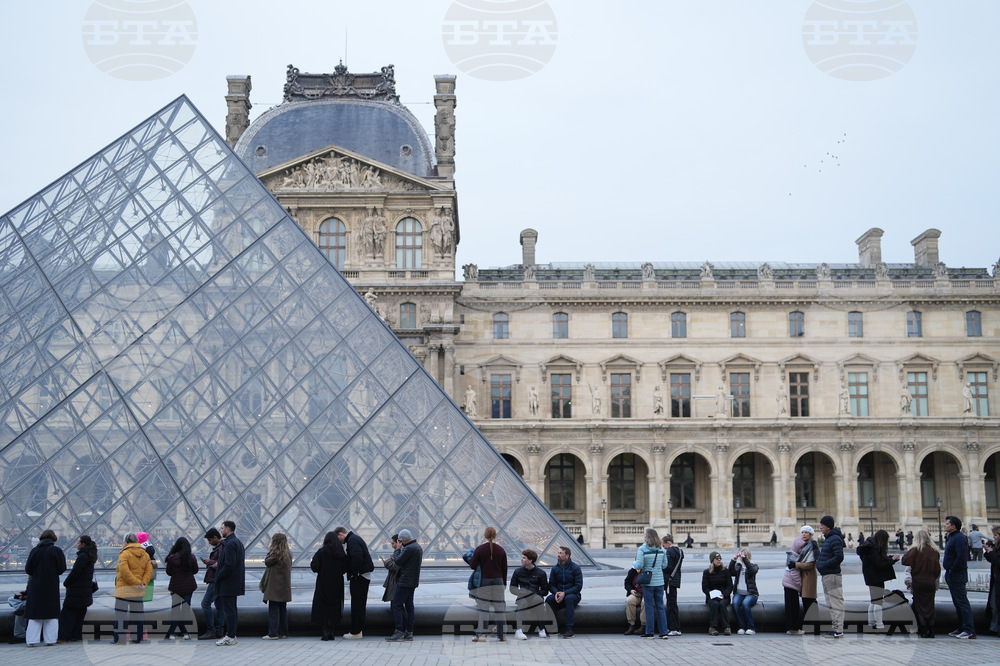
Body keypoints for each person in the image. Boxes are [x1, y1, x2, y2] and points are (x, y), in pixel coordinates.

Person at [25, 529, 67, 646]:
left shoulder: (35, 551)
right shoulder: (57, 551)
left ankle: (32, 640)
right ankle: (50, 640)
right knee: (51, 615)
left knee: (35, 615)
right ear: (54, 539)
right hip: (51, 586)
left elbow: (28, 569)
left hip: (36, 586)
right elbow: (62, 568)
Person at [470, 526, 509, 642]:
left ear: (485, 535)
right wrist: (504, 583)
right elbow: (504, 568)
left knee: (484, 608)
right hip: (498, 580)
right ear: (495, 536)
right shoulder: (501, 550)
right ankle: (502, 635)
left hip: (484, 581)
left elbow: (472, 565)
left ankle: (481, 634)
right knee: (499, 608)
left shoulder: (480, 549)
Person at [112, 533, 152, 644]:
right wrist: (142, 583)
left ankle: (120, 639)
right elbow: (149, 571)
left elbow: (124, 572)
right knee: (138, 615)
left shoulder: (124, 554)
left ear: (125, 540)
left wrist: (136, 583)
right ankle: (137, 638)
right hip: (139, 590)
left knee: (120, 616)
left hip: (124, 589)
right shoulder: (145, 554)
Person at [336, 526, 374, 639]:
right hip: (363, 575)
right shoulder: (355, 539)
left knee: (357, 605)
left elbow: (356, 557)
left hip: (360, 577)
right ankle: (357, 630)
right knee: (359, 604)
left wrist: (354, 573)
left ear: (341, 534)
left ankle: (356, 632)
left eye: (338, 538)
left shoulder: (352, 541)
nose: (339, 542)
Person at [856, 529, 899, 631]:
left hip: (871, 577)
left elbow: (878, 560)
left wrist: (891, 558)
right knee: (878, 602)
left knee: (874, 601)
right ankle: (879, 625)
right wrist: (892, 560)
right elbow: (879, 564)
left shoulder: (869, 546)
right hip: (876, 578)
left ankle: (871, 623)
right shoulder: (872, 549)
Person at [902, 530, 941, 638]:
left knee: (920, 607)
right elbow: (938, 569)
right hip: (930, 582)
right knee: (930, 605)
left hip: (918, 582)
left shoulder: (916, 550)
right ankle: (931, 630)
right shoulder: (935, 551)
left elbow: (904, 560)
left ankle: (923, 630)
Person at [385, 529, 422, 642]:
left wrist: (397, 550)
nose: (400, 543)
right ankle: (409, 632)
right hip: (412, 581)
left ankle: (399, 631)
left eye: (400, 541)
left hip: (405, 581)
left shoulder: (409, 548)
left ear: (403, 540)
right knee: (409, 606)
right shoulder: (417, 547)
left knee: (396, 605)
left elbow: (398, 561)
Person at [58, 535, 97, 642]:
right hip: (85, 591)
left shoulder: (83, 556)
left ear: (83, 544)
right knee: (79, 615)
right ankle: (76, 636)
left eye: (78, 542)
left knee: (67, 615)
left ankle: (64, 637)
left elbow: (75, 572)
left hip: (76, 591)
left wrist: (66, 582)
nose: (76, 544)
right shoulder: (90, 555)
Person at [942, 515, 975, 639]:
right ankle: (962, 627)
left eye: (947, 524)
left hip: (957, 574)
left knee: (962, 602)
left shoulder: (959, 538)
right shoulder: (952, 537)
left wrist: (952, 569)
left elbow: (961, 557)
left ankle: (969, 629)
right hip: (952, 574)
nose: (945, 525)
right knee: (957, 602)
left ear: (953, 526)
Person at [633, 528, 669, 639]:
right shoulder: (661, 549)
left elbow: (638, 565)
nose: (644, 537)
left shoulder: (642, 549)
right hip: (659, 582)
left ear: (647, 537)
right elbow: (665, 565)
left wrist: (634, 563)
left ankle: (650, 632)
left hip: (648, 583)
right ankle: (663, 632)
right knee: (660, 607)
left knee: (649, 607)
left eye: (645, 535)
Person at [311, 531, 347, 640]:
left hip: (323, 583)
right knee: (335, 607)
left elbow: (314, 566)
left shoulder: (321, 551)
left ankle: (325, 631)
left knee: (323, 607)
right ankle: (332, 631)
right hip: (337, 583)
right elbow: (345, 569)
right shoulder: (341, 553)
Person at [214, 520, 246, 646]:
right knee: (232, 610)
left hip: (228, 583)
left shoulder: (230, 544)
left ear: (227, 529)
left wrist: (219, 576)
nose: (220, 531)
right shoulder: (237, 542)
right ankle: (232, 635)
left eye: (222, 528)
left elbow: (229, 565)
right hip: (234, 582)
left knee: (229, 610)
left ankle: (230, 636)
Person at [510, 548, 553, 639]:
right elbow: (512, 588)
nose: (521, 559)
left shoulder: (541, 573)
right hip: (523, 597)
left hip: (535, 596)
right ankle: (519, 630)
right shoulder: (518, 572)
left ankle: (541, 628)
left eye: (524, 558)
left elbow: (545, 590)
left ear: (530, 560)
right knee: (523, 603)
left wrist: (535, 593)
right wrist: (521, 592)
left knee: (539, 600)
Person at [164, 537, 199, 640]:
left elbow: (169, 572)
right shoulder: (191, 557)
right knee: (186, 609)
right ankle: (186, 633)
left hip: (175, 586)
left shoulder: (171, 558)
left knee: (175, 610)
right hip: (188, 586)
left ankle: (172, 633)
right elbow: (195, 570)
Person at [816, 515, 845, 638]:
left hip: (832, 575)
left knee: (836, 602)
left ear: (828, 527)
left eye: (822, 525)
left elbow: (839, 557)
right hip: (827, 574)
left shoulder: (835, 539)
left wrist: (823, 564)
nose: (820, 527)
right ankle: (835, 627)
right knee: (830, 602)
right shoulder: (829, 538)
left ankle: (839, 630)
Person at [546, 545, 584, 638]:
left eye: (561, 553)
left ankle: (569, 629)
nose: (558, 555)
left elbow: (578, 586)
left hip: (573, 595)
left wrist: (565, 593)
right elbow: (551, 585)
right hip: (559, 595)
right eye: (558, 553)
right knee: (549, 600)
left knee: (569, 598)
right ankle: (555, 628)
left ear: (567, 556)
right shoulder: (555, 568)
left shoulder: (575, 568)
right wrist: (556, 593)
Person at [262, 532, 292, 640]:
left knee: (273, 610)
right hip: (284, 587)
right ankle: (283, 632)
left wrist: (270, 552)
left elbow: (267, 562)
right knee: (283, 610)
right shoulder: (288, 554)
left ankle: (273, 633)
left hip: (274, 588)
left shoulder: (275, 555)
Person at [198, 528, 225, 640]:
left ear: (215, 537)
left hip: (215, 580)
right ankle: (219, 630)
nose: (209, 542)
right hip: (219, 580)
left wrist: (209, 562)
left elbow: (222, 563)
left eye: (209, 540)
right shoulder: (222, 546)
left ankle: (211, 630)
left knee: (205, 603)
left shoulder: (222, 547)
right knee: (219, 606)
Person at [729, 547, 759, 635]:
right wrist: (733, 560)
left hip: (751, 593)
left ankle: (751, 627)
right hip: (739, 593)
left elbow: (752, 571)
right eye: (742, 555)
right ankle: (741, 626)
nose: (742, 557)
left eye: (745, 555)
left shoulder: (753, 565)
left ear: (748, 556)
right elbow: (730, 572)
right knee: (735, 604)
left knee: (745, 604)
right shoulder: (738, 566)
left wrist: (745, 560)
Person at [702, 552, 732, 636]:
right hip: (712, 596)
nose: (719, 560)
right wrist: (711, 594)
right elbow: (705, 587)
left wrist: (724, 594)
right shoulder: (707, 572)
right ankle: (712, 627)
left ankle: (727, 627)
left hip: (724, 596)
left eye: (720, 559)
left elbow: (730, 586)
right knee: (714, 604)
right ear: (712, 560)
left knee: (722, 604)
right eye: (717, 559)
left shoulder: (726, 571)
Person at [662, 533, 684, 636]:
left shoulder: (670, 552)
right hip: (675, 579)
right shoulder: (679, 551)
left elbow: (669, 567)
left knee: (671, 605)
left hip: (670, 581)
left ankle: (673, 628)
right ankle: (677, 628)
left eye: (664, 545)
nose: (663, 547)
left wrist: (661, 566)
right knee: (673, 604)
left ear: (668, 543)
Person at [622, 566, 645, 636]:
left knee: (645, 602)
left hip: (647, 594)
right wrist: (630, 590)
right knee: (629, 600)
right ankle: (631, 624)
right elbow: (627, 582)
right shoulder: (633, 570)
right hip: (636, 593)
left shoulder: (650, 568)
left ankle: (643, 625)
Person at [986, 527, 1000, 636]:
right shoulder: (997, 547)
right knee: (993, 604)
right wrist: (988, 552)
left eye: (995, 535)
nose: (993, 537)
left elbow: (997, 561)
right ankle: (994, 627)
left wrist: (991, 553)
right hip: (996, 579)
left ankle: (995, 628)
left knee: (995, 604)